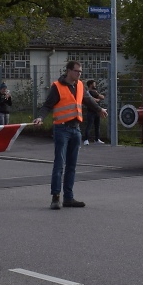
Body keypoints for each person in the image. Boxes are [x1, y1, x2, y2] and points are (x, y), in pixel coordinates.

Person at [32, 61, 106, 209]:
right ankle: (55, 198)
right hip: (62, 129)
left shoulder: (79, 85)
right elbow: (47, 105)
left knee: (71, 166)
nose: (79, 74)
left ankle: (69, 198)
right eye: (77, 71)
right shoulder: (57, 87)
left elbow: (88, 100)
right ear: (68, 71)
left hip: (75, 129)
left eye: (80, 71)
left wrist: (99, 109)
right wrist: (40, 117)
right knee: (59, 164)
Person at [84, 79, 107, 144]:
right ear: (91, 85)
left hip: (97, 111)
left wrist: (96, 98)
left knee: (97, 126)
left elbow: (98, 98)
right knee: (89, 125)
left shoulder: (95, 92)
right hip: (91, 111)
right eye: (94, 84)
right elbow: (100, 98)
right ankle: (86, 140)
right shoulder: (89, 92)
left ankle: (97, 139)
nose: (95, 85)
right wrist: (97, 99)